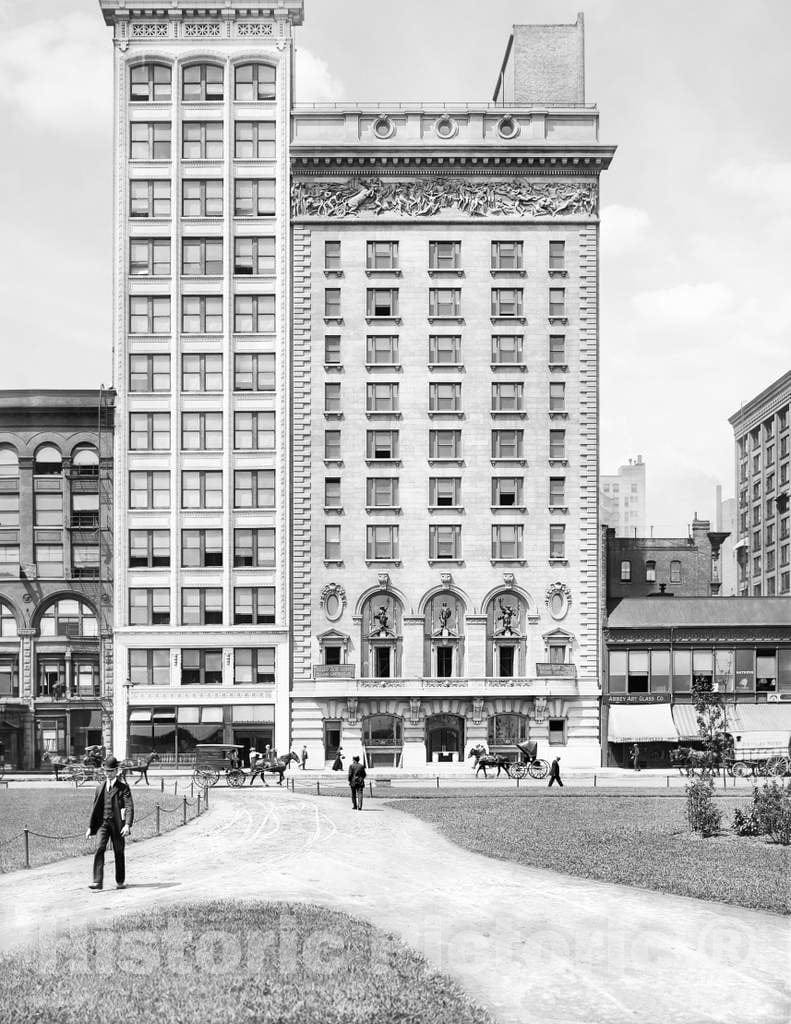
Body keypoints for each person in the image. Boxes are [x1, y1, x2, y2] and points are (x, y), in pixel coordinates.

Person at [85, 755, 134, 891]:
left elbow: (129, 806)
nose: (108, 774)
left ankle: (120, 880)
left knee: (118, 851)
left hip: (118, 825)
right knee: (99, 848)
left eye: (111, 771)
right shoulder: (99, 788)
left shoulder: (123, 788)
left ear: (117, 771)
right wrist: (90, 827)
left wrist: (127, 825)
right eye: (106, 771)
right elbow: (95, 808)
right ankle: (97, 881)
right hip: (103, 824)